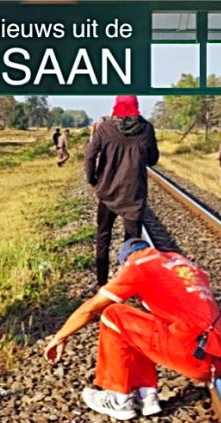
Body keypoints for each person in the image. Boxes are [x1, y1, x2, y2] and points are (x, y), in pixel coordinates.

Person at [44, 239, 221, 420]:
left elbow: (91, 308)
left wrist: (60, 337)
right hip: (216, 355)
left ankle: (119, 398)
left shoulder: (137, 265)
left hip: (194, 355)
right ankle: (147, 394)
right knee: (142, 323)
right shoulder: (182, 264)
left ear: (123, 262)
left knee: (114, 314)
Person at [84, 95, 159, 286]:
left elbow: (90, 156)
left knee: (103, 238)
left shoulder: (106, 128)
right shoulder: (146, 129)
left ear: (116, 107)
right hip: (134, 194)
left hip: (108, 193)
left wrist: (92, 180)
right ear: (136, 108)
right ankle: (127, 285)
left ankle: (102, 284)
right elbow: (152, 160)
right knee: (132, 244)